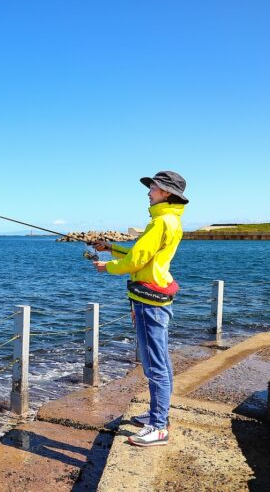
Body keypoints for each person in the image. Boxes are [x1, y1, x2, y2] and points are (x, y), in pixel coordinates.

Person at [91, 171, 188, 447]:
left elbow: (136, 261)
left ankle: (158, 427)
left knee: (154, 364)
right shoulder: (170, 220)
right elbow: (141, 255)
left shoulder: (160, 222)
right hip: (155, 296)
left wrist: (107, 266)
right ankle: (160, 416)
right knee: (161, 360)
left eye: (153, 188)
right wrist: (112, 248)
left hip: (149, 299)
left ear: (166, 193)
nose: (149, 192)